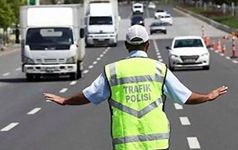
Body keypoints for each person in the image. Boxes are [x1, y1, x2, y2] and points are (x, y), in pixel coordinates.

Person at [43, 25, 228, 150]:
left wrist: (65, 101)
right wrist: (208, 96)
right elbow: (185, 97)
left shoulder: (113, 70)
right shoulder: (159, 69)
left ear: (127, 45)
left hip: (125, 144)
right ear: (147, 45)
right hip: (158, 143)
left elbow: (90, 95)